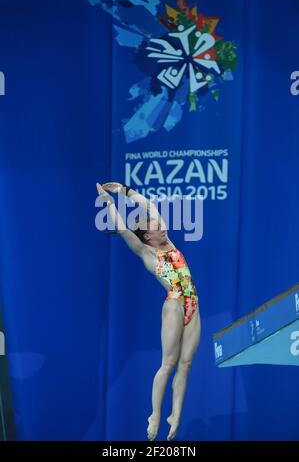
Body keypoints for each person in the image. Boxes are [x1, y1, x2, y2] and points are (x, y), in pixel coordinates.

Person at [96, 182, 201, 441]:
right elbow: (122, 228)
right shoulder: (147, 252)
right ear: (146, 236)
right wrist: (109, 202)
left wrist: (124, 190)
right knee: (168, 363)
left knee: (185, 364)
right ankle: (155, 413)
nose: (162, 227)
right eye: (156, 227)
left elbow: (149, 206)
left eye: (161, 225)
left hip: (193, 304)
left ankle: (175, 414)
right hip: (174, 304)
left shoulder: (169, 243)